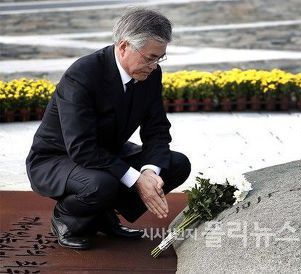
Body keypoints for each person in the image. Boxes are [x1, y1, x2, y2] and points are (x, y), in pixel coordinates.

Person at [25, 8, 191, 250]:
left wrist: (149, 173)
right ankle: (66, 218)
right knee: (102, 184)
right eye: (150, 58)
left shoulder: (151, 75)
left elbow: (157, 130)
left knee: (175, 164)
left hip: (107, 152)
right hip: (57, 158)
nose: (154, 66)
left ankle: (102, 213)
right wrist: (136, 180)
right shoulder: (82, 75)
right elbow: (81, 148)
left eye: (160, 58)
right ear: (124, 47)